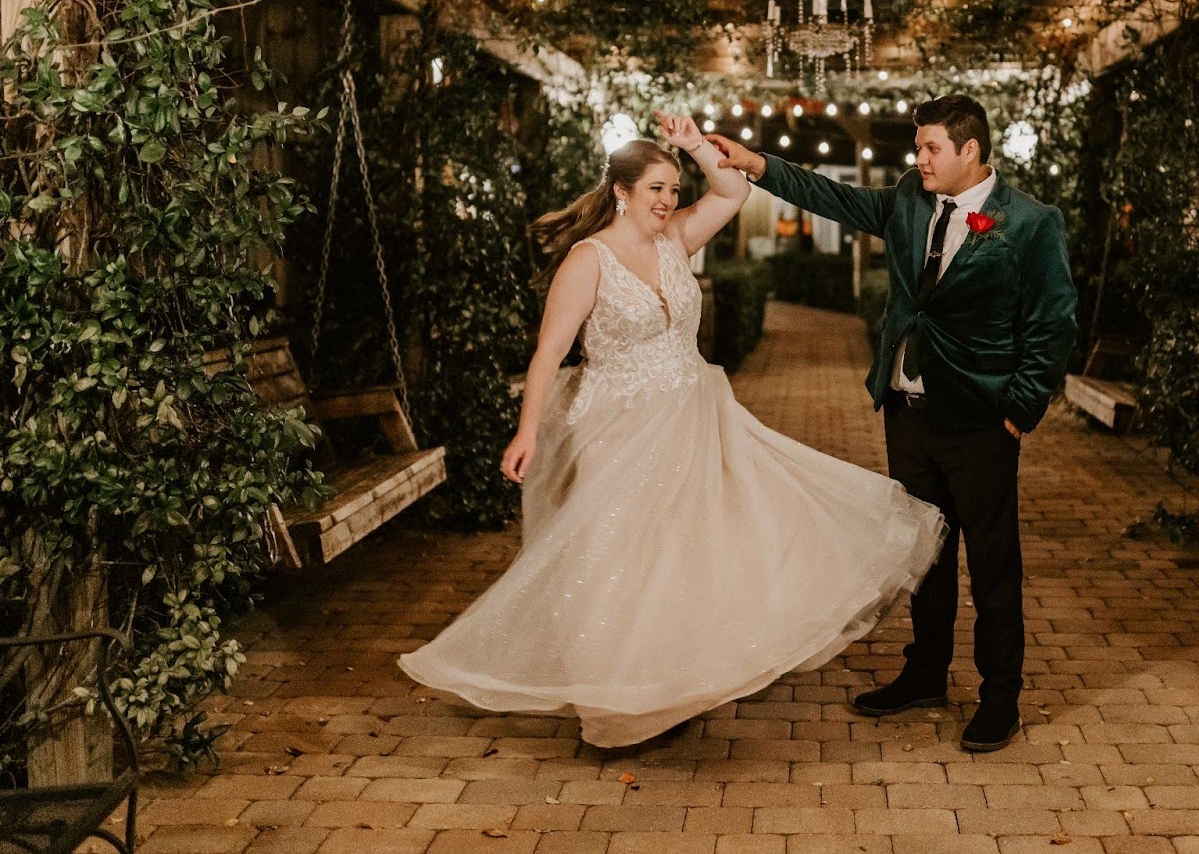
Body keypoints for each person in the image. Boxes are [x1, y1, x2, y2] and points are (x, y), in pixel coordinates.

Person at [398, 113, 945, 748]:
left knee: (683, 555)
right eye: (655, 188)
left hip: (692, 418)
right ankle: (616, 702)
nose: (667, 201)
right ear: (621, 192)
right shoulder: (588, 261)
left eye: (673, 189)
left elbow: (735, 190)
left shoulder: (675, 240)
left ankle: (669, 684)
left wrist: (692, 146)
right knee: (619, 562)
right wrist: (526, 434)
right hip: (615, 428)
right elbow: (549, 353)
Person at [710, 94, 1077, 752]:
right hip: (907, 413)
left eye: (932, 147)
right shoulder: (910, 198)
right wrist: (756, 163)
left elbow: (1053, 322)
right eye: (918, 148)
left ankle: (1000, 696)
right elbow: (831, 197)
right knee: (924, 554)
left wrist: (1019, 410)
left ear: (971, 149)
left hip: (983, 421)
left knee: (992, 564)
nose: (920, 158)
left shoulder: (1030, 223)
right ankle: (925, 672)